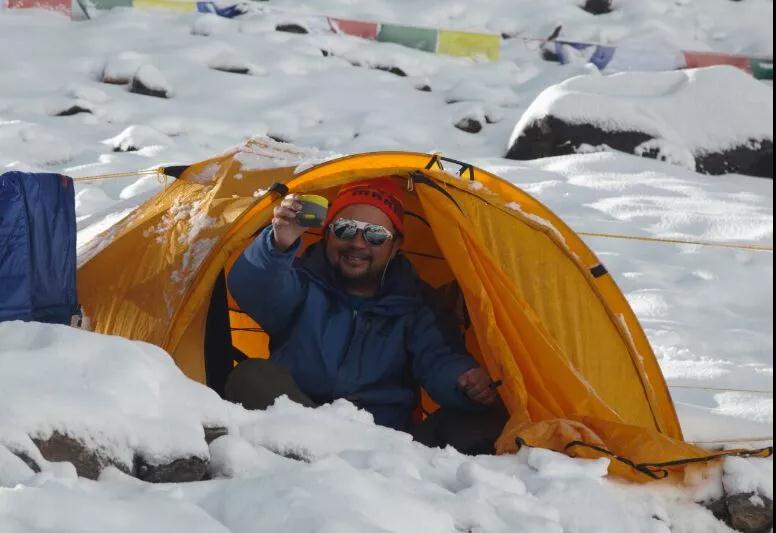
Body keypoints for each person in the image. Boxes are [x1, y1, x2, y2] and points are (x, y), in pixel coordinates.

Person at [226, 177, 507, 453]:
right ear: (327, 234)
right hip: (301, 424)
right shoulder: (302, 282)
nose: (358, 244)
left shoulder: (416, 303)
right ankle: (324, 460)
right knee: (250, 378)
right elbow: (253, 288)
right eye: (345, 229)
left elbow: (438, 358)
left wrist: (465, 380)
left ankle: (345, 468)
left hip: (385, 445)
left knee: (489, 418)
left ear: (396, 245)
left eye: (375, 235)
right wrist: (278, 244)